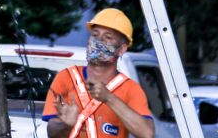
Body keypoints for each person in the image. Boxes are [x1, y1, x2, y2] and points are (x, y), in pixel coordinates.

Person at [43, 8, 155, 138]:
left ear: (122, 49)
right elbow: (51, 133)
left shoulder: (131, 89)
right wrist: (66, 125)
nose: (99, 41)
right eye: (95, 35)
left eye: (108, 37)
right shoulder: (66, 77)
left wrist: (109, 98)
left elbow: (147, 134)